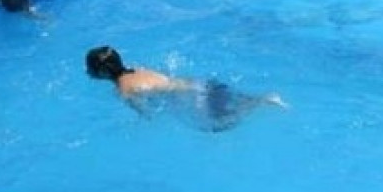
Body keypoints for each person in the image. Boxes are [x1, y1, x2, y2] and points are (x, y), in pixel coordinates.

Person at [85, 46, 285, 132]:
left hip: (197, 98)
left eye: (90, 68)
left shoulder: (124, 89)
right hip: (201, 83)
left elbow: (147, 115)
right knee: (234, 104)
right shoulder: (138, 69)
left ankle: (263, 101)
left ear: (102, 72)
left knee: (218, 127)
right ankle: (262, 99)